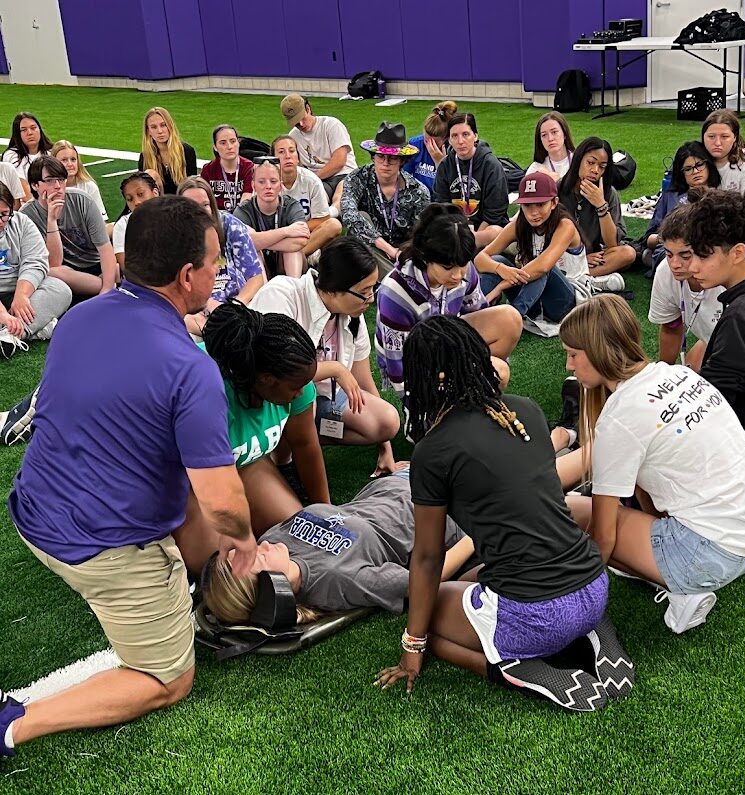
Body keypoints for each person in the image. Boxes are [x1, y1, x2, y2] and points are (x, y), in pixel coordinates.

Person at [0, 195, 258, 760]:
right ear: (187, 275)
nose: (220, 270)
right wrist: (244, 543)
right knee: (168, 677)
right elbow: (223, 503)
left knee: (186, 486)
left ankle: (177, 583)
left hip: (33, 514)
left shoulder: (81, 318)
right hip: (98, 548)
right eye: (215, 261)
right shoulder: (191, 369)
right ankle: (15, 725)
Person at [374, 316, 628, 712]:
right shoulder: (525, 410)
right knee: (476, 576)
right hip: (594, 584)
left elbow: (426, 557)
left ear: (431, 378)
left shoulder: (433, 450)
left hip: (536, 614)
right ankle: (593, 631)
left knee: (431, 619)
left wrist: (411, 647)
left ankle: (517, 670)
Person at [560, 295, 745, 634]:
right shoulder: (680, 375)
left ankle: (682, 587)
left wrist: (574, 599)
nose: (569, 367)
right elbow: (643, 481)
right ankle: (661, 562)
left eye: (573, 355)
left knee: (572, 511)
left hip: (713, 554)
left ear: (600, 350)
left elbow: (602, 537)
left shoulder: (620, 418)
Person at [173, 300, 329, 576]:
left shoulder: (294, 382)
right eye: (295, 387)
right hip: (186, 478)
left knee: (302, 533)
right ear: (267, 379)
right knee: (216, 565)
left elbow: (306, 447)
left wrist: (326, 513)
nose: (302, 392)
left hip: (245, 465)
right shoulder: (206, 391)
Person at [202, 471, 475, 622]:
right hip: (448, 501)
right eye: (255, 559)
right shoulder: (337, 580)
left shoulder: (275, 542)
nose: (259, 547)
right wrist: (475, 535)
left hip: (402, 479)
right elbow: (424, 581)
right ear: (273, 588)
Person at [250, 236, 402, 477]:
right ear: (333, 288)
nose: (371, 300)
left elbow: (363, 381)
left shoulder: (352, 315)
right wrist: (336, 369)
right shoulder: (282, 294)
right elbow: (279, 369)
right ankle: (285, 462)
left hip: (325, 400)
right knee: (303, 395)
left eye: (373, 289)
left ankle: (310, 438)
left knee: (387, 421)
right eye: (364, 292)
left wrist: (386, 450)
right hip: (277, 399)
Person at [375, 203, 521, 397]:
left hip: (447, 338)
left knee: (508, 321)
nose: (458, 275)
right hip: (416, 357)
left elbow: (478, 312)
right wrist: (416, 406)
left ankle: (474, 393)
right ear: (425, 256)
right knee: (496, 372)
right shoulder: (394, 293)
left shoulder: (464, 269)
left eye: (462, 265)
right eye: (447, 267)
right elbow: (398, 362)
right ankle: (446, 403)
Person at [684, 190, 745, 481]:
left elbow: (712, 410)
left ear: (738, 252)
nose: (692, 267)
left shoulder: (743, 317)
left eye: (703, 255)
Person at [476, 172, 590, 323]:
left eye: (541, 204)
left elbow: (542, 267)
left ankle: (510, 319)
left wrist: (501, 287)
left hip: (568, 304)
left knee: (543, 268)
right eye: (528, 205)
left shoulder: (565, 226)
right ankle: (480, 311)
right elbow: (480, 259)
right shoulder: (518, 224)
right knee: (497, 260)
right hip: (533, 296)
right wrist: (500, 269)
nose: (534, 212)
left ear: (554, 203)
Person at [177, 176, 265, 337]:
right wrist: (210, 306)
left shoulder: (231, 226)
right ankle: (219, 336)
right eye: (192, 207)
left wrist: (236, 305)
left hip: (239, 304)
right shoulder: (172, 238)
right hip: (198, 313)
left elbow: (256, 278)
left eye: (205, 205)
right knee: (182, 321)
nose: (200, 213)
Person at [341, 122, 430, 279]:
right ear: (373, 157)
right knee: (360, 220)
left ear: (402, 161)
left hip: (403, 252)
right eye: (381, 156)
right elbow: (349, 214)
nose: (385, 163)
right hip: (369, 245)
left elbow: (422, 234)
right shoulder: (357, 178)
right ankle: (398, 279)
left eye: (392, 158)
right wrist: (388, 249)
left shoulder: (419, 191)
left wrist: (402, 252)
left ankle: (390, 278)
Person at [21, 156, 117, 298]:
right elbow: (54, 263)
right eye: (50, 181)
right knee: (50, 270)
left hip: (94, 262)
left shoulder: (82, 201)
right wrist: (52, 221)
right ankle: (108, 280)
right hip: (65, 272)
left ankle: (107, 282)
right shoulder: (26, 216)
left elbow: (105, 249)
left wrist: (107, 290)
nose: (58, 186)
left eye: (61, 179)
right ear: (35, 185)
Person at [648, 204, 723, 372]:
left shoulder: (731, 277)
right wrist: (664, 375)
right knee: (689, 374)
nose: (674, 264)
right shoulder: (665, 272)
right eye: (668, 254)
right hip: (718, 339)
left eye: (685, 255)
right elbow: (671, 327)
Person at [0, 182, 71, 358]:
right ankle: (35, 329)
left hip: (23, 295)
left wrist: (22, 294)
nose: (0, 222)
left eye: (3, 215)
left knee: (60, 289)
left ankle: (9, 335)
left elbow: (36, 261)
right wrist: (2, 314)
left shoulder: (21, 222)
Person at [558, 137, 636, 279]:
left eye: (602, 166)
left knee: (628, 254)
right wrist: (578, 259)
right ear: (578, 160)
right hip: (562, 255)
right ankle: (585, 277)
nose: (595, 170)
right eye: (590, 162)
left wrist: (601, 205)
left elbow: (612, 244)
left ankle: (573, 277)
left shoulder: (608, 193)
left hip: (596, 255)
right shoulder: (558, 189)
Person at [642, 141, 720, 273]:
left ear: (708, 165)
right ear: (681, 173)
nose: (695, 172)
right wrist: (667, 237)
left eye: (699, 165)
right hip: (672, 251)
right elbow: (649, 238)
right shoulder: (671, 196)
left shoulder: (721, 193)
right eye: (688, 169)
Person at [433, 112, 508, 247]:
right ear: (449, 140)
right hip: (455, 228)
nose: (460, 141)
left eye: (465, 134)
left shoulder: (491, 165)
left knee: (495, 232)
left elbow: (495, 212)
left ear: (475, 136)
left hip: (484, 228)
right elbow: (441, 205)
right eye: (454, 136)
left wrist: (471, 240)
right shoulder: (445, 166)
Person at [280, 94, 357, 213]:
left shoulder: (331, 124)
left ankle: (332, 213)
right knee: (314, 197)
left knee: (342, 192)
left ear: (308, 109)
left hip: (343, 174)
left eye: (302, 119)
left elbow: (339, 161)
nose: (301, 125)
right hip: (319, 180)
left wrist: (313, 179)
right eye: (296, 123)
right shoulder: (293, 136)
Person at [234, 157, 308, 279]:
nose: (268, 186)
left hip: (284, 263)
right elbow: (243, 242)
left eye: (273, 181)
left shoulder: (292, 206)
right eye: (262, 182)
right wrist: (286, 231)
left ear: (281, 185)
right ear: (253, 186)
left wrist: (260, 242)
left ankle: (294, 288)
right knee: (252, 251)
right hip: (259, 266)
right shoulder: (243, 210)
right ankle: (262, 293)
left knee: (292, 250)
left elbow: (301, 240)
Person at [272, 135, 342, 261]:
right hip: (276, 239)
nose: (287, 156)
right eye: (281, 152)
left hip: (306, 235)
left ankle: (293, 259)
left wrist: (295, 230)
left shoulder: (311, 180)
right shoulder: (266, 182)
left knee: (333, 225)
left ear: (298, 157)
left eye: (292, 151)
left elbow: (323, 218)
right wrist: (286, 232)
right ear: (273, 159)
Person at [701, 109, 745, 205]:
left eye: (724, 137)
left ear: (735, 137)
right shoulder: (694, 160)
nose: (717, 143)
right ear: (703, 137)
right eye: (711, 136)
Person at [137, 107, 198, 195]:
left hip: (182, 204)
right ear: (148, 131)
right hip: (158, 205)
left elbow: (192, 188)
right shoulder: (145, 157)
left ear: (170, 126)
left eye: (163, 125)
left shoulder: (186, 151)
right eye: (153, 127)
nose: (160, 131)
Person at [402, 100, 457, 193]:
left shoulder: (454, 151)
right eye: (426, 139)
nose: (429, 144)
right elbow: (403, 175)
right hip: (419, 200)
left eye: (434, 141)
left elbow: (454, 189)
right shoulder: (415, 145)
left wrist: (441, 164)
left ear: (446, 138)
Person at [51, 139, 109, 223]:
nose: (70, 164)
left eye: (73, 159)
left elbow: (101, 221)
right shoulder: (49, 187)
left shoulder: (89, 186)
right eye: (64, 160)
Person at [199, 124, 253, 213]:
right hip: (215, 217)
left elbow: (247, 199)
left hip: (242, 216)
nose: (229, 147)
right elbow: (203, 200)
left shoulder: (249, 167)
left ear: (238, 143)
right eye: (223, 143)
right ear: (215, 147)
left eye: (233, 141)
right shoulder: (208, 169)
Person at [112, 172, 160, 270]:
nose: (136, 202)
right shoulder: (123, 225)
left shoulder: (172, 217)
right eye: (130, 199)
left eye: (141, 194)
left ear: (155, 192)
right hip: (140, 280)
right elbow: (125, 266)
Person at [2, 112, 53, 191]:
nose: (30, 133)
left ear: (39, 129)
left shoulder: (51, 152)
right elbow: (20, 185)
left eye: (33, 128)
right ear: (18, 134)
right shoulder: (11, 155)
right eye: (24, 130)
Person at [525, 111, 575, 182]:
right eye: (544, 135)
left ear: (564, 133)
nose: (550, 138)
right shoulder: (536, 169)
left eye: (554, 132)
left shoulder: (579, 161)